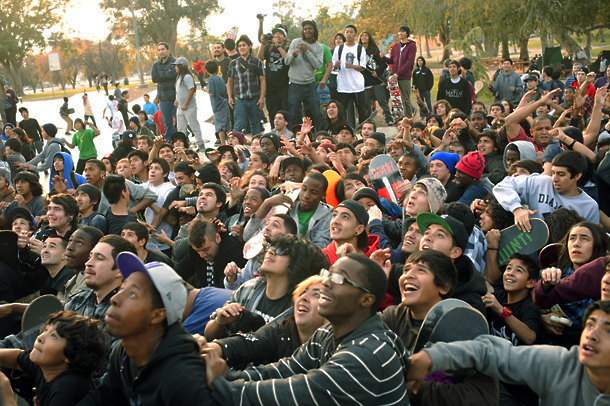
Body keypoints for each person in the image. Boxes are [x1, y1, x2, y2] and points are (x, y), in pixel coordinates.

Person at [206, 254, 411, 405]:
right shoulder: (328, 332)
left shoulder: (366, 354)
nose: (326, 283)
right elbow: (286, 370)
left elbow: (293, 393)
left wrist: (220, 383)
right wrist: (225, 372)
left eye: (340, 279)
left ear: (366, 300)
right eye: (328, 274)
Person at [77, 251, 220, 406]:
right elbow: (104, 398)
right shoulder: (124, 352)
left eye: (132, 294)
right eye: (122, 288)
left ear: (157, 315)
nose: (114, 299)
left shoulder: (181, 376)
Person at [406, 300, 610, 406]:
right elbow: (488, 352)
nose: (592, 335)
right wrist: (431, 357)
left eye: (608, 330)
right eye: (590, 325)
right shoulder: (560, 364)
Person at [204, 235, 328, 341]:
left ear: (298, 263)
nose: (271, 251)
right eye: (271, 247)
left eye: (282, 250)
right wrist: (219, 322)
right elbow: (208, 334)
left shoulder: (300, 307)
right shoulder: (249, 288)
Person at [0, 311, 110, 406]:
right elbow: (16, 359)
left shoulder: (67, 389)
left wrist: (6, 397)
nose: (40, 337)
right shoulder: (48, 367)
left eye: (53, 336)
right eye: (46, 330)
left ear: (70, 354)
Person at [493, 150, 600, 228]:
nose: (554, 179)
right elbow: (502, 186)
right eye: (553, 173)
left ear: (577, 176)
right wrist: (516, 209)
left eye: (561, 174)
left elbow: (590, 238)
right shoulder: (541, 182)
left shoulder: (589, 206)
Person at [172, 218, 247, 288]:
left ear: (218, 238)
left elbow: (222, 288)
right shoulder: (194, 251)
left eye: (206, 249)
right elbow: (181, 271)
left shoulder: (234, 252)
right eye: (198, 251)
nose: (202, 255)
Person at [284, 19, 325, 129]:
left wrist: (307, 51)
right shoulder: (295, 42)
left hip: (310, 85)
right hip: (295, 85)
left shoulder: (319, 47)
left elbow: (318, 66)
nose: (307, 31)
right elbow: (287, 61)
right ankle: (294, 139)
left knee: (316, 114)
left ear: (314, 31)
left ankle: (318, 137)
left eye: (310, 29)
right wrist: (293, 55)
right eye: (305, 29)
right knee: (293, 115)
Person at [333, 25, 370, 128]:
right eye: (347, 32)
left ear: (355, 34)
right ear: (345, 34)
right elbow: (334, 67)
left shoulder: (359, 48)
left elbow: (363, 67)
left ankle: (364, 130)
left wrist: (352, 66)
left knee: (362, 110)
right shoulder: (339, 48)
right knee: (341, 110)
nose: (349, 34)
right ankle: (342, 130)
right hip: (343, 85)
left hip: (357, 85)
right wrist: (336, 65)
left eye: (351, 32)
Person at [227, 35, 266, 136]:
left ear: (250, 46)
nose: (241, 48)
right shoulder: (233, 63)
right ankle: (236, 149)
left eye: (244, 45)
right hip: (239, 100)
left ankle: (256, 149)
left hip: (254, 99)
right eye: (239, 46)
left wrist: (262, 98)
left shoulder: (257, 62)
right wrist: (230, 97)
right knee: (238, 126)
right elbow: (230, 82)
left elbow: (262, 80)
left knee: (255, 125)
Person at [381, 25, 417, 118]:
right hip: (394, 77)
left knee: (405, 99)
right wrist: (383, 57)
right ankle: (398, 119)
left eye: (403, 31)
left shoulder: (412, 46)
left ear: (407, 33)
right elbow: (392, 60)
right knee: (395, 100)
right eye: (399, 31)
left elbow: (409, 62)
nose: (400, 33)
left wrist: (398, 74)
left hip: (404, 77)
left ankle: (408, 119)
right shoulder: (395, 46)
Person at [258, 26, 290, 128]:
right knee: (272, 112)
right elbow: (260, 58)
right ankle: (273, 133)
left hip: (284, 86)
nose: (277, 35)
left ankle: (286, 134)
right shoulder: (269, 47)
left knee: (285, 111)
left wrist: (278, 46)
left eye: (280, 34)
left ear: (284, 37)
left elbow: (288, 60)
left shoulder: (287, 48)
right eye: (275, 34)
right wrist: (262, 45)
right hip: (271, 87)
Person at [172, 57, 205, 151]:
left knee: (194, 125)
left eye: (176, 66)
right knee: (180, 128)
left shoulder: (187, 77)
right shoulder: (178, 77)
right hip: (180, 107)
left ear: (182, 66)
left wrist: (185, 104)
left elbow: (191, 90)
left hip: (189, 107)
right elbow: (179, 92)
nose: (175, 68)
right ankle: (182, 146)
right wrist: (176, 100)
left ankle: (200, 143)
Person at [151, 42, 178, 141]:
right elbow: (154, 78)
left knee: (179, 121)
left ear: (168, 50)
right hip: (162, 98)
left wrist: (161, 75)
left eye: (163, 49)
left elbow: (175, 74)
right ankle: (169, 141)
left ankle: (180, 140)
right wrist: (167, 74)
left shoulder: (175, 62)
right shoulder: (156, 65)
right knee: (167, 122)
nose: (161, 52)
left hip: (174, 97)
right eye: (159, 50)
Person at [203, 60, 230, 146]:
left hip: (218, 106)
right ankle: (231, 143)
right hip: (225, 103)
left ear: (207, 70)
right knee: (227, 126)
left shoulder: (211, 79)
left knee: (219, 127)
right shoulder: (220, 77)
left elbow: (212, 92)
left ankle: (223, 144)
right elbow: (226, 91)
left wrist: (206, 90)